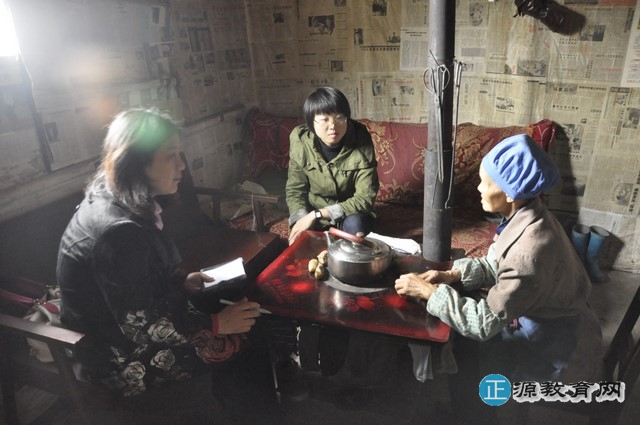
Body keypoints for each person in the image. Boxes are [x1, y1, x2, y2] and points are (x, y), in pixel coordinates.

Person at [57, 108, 279, 421]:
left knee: (232, 299)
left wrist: (181, 282)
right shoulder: (117, 231)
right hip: (115, 357)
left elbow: (133, 284)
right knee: (244, 340)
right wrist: (216, 326)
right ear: (137, 160)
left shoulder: (115, 196)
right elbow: (142, 326)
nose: (182, 165)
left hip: (125, 327)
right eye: (171, 155)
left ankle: (236, 404)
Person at [395, 134, 599, 422]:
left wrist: (430, 292)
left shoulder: (530, 250)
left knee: (467, 347)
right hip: (543, 314)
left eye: (486, 182)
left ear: (511, 193)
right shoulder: (529, 214)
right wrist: (452, 274)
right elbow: (496, 264)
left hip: (549, 343)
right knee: (459, 324)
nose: (478, 188)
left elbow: (483, 324)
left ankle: (476, 416)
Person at [286, 86, 379, 245]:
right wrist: (301, 219)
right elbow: (295, 190)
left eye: (340, 118)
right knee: (300, 244)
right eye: (324, 119)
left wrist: (318, 214)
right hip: (313, 214)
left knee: (356, 230)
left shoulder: (360, 137)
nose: (333, 126)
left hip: (350, 213)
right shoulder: (300, 139)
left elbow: (365, 197)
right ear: (311, 121)